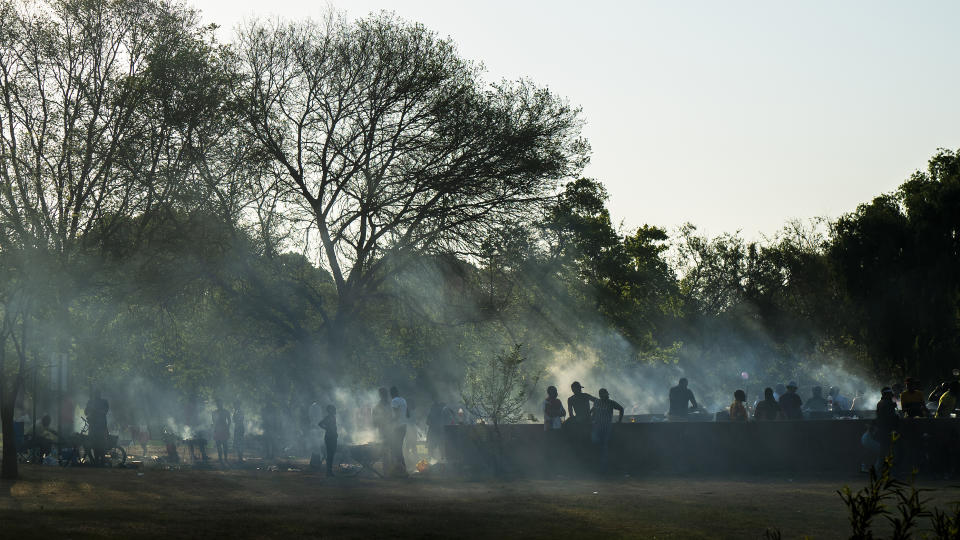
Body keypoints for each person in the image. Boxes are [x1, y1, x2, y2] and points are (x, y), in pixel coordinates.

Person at [590, 388, 624, 470]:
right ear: (600, 395)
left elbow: (621, 409)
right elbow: (592, 411)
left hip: (606, 427)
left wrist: (619, 421)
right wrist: (591, 419)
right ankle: (598, 465)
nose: (604, 396)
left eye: (605, 394)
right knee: (596, 443)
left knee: (604, 447)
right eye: (602, 394)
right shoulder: (597, 402)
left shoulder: (611, 402)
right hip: (597, 427)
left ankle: (603, 467)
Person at [84, 390, 109, 466]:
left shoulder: (104, 402)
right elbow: (86, 412)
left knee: (100, 445)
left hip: (101, 427)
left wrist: (94, 409)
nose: (97, 396)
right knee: (91, 444)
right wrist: (89, 408)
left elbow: (105, 411)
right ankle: (95, 460)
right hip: (93, 426)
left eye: (97, 394)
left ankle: (101, 460)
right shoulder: (91, 402)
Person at [389, 386, 409, 477]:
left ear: (391, 393)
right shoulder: (403, 400)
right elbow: (408, 414)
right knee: (398, 448)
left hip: (398, 427)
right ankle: (402, 468)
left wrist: (388, 421)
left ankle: (402, 470)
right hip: (404, 426)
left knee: (396, 448)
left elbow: (396, 415)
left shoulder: (394, 401)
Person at [373, 387, 393, 473]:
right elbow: (375, 416)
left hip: (389, 429)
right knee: (386, 449)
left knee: (389, 449)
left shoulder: (388, 404)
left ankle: (389, 468)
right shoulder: (380, 405)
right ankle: (386, 468)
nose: (381, 395)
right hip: (384, 429)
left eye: (381, 393)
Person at [318, 405, 338, 477]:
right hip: (329, 438)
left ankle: (329, 471)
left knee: (331, 455)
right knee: (330, 455)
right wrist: (327, 429)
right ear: (330, 410)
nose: (335, 410)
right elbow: (320, 424)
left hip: (332, 437)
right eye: (334, 409)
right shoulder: (329, 417)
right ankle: (328, 472)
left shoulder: (333, 417)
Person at [212, 399, 230, 465]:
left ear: (222, 404)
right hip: (218, 430)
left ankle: (225, 458)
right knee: (218, 445)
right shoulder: (214, 412)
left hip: (224, 429)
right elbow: (214, 422)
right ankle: (220, 458)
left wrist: (227, 428)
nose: (219, 405)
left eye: (220, 403)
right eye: (217, 404)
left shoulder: (226, 412)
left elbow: (229, 421)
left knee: (225, 445)